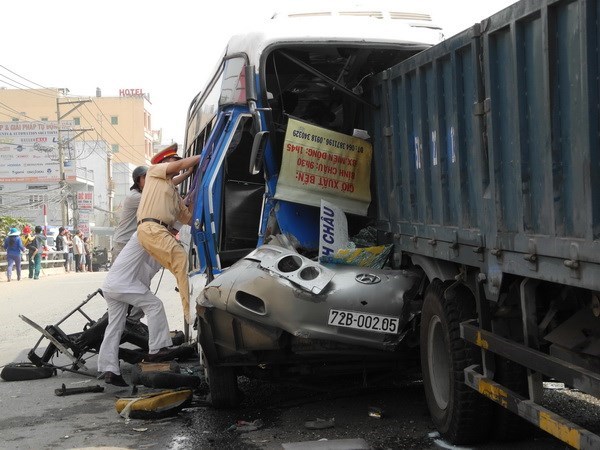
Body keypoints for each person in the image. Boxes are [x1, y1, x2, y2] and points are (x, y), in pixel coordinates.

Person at [97, 232, 180, 386]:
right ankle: (157, 349)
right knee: (155, 306)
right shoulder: (143, 234)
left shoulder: (154, 245)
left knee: (115, 326)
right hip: (123, 284)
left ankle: (110, 370)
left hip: (112, 286)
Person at [137, 143, 199, 324]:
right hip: (151, 229)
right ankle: (189, 315)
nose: (178, 162)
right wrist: (203, 156)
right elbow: (179, 168)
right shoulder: (154, 171)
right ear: (164, 162)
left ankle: (190, 310)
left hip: (157, 231)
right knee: (181, 261)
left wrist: (194, 196)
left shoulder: (171, 191)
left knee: (183, 269)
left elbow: (188, 218)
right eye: (174, 159)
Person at [112, 165, 148, 263]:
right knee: (121, 277)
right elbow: (158, 199)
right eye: (145, 177)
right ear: (138, 181)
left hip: (132, 243)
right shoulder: (135, 197)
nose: (149, 180)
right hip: (123, 243)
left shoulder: (141, 195)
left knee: (133, 276)